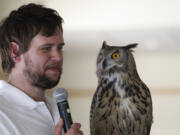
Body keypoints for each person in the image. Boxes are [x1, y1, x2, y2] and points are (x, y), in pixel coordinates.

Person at [0, 3, 83, 135]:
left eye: (60, 48)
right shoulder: (2, 115)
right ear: (14, 52)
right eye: (46, 48)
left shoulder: (56, 109)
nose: (58, 57)